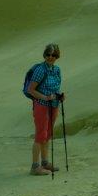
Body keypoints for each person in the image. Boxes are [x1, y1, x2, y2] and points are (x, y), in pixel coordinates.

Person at [27, 43, 65, 176]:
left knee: (48, 134)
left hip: (53, 105)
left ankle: (45, 163)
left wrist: (60, 96)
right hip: (41, 105)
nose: (50, 57)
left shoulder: (57, 70)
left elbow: (55, 87)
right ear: (44, 55)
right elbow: (30, 90)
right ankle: (34, 166)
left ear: (57, 56)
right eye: (48, 54)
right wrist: (45, 97)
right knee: (40, 135)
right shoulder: (40, 70)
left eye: (53, 55)